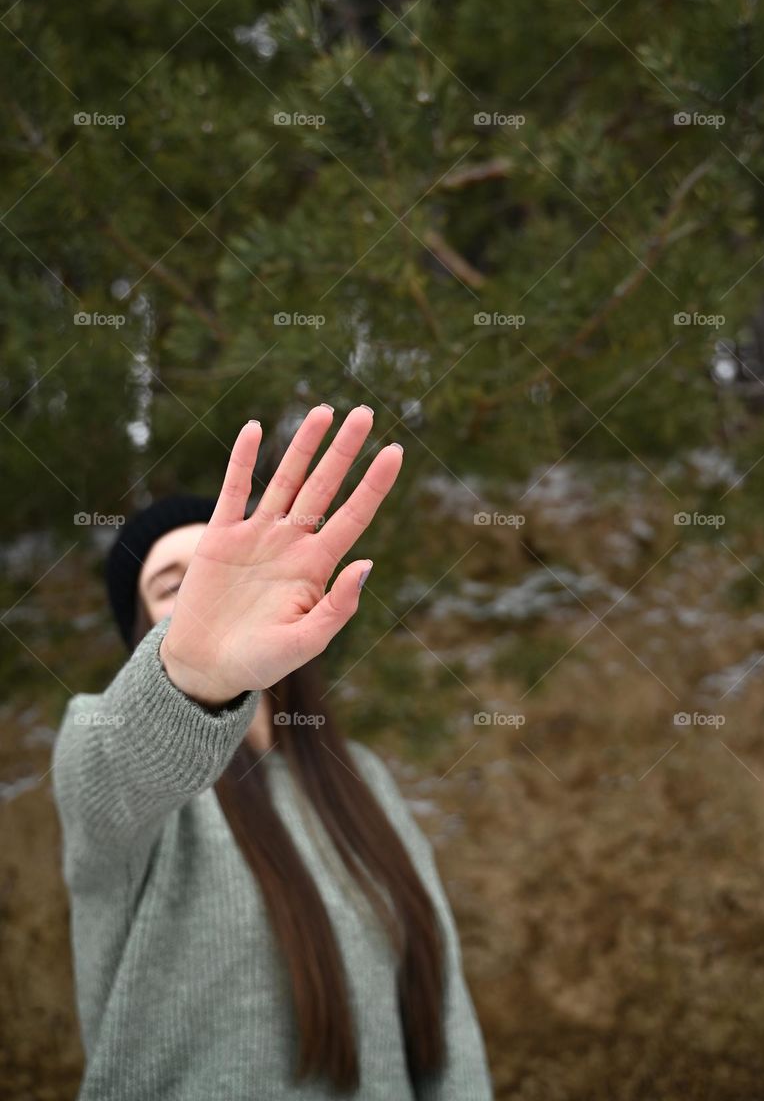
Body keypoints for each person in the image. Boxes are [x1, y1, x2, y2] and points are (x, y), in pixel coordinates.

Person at [52, 403, 493, 1100]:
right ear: (143, 632)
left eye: (217, 574)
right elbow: (114, 762)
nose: (209, 597)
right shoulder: (109, 755)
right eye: (175, 587)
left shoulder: (364, 783)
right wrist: (189, 675)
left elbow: (448, 1028)